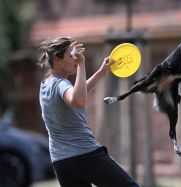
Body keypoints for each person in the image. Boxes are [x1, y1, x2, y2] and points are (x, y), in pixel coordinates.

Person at [37, 37, 140, 187]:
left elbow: (75, 95)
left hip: (61, 162)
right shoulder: (61, 84)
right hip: (85, 155)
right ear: (57, 60)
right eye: (71, 55)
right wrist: (81, 64)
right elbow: (78, 100)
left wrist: (101, 72)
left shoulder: (45, 85)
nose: (75, 59)